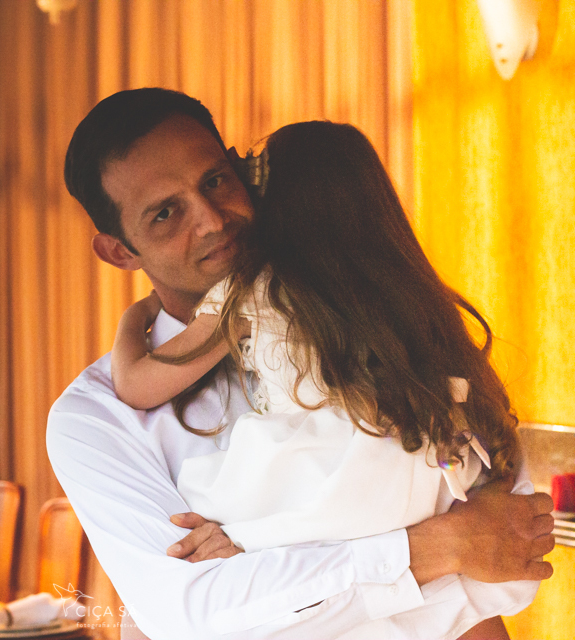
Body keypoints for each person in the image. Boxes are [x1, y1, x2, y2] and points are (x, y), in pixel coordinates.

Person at [47, 88, 555, 639]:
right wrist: (440, 546)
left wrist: (252, 564)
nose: (212, 221)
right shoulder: (94, 420)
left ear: (245, 171)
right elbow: (195, 613)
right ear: (120, 251)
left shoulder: (377, 320)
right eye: (166, 214)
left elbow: (503, 543)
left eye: (215, 181)